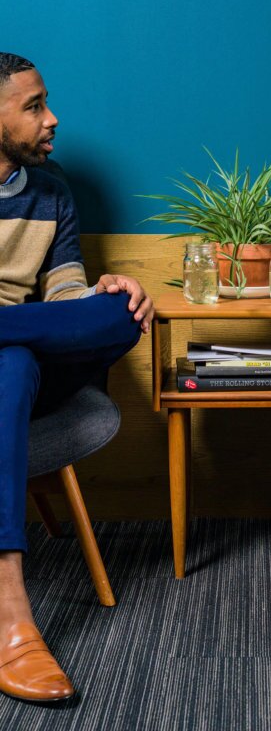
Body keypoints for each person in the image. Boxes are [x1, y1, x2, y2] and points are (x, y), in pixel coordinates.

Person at [0, 52, 154, 702]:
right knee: (11, 363)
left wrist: (97, 294)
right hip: (18, 362)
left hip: (27, 335)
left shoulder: (51, 190)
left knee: (122, 314)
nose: (52, 118)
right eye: (34, 106)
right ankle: (11, 614)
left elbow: (62, 293)